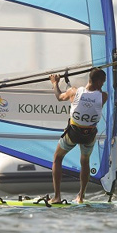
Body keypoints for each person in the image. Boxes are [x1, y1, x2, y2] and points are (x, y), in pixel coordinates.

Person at [49, 68, 108, 204]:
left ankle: (57, 196)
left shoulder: (74, 92)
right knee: (84, 161)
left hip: (73, 134)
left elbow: (59, 97)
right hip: (89, 136)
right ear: (99, 82)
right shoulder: (103, 96)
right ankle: (81, 196)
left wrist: (55, 83)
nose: (103, 85)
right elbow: (92, 97)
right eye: (102, 82)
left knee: (57, 158)